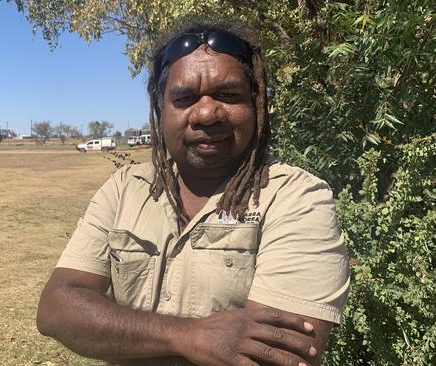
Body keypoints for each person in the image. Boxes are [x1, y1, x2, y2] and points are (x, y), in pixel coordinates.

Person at [36, 19, 350, 366]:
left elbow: (278, 356)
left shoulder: (296, 198)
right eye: (184, 98)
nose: (205, 113)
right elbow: (56, 307)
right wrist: (188, 335)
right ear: (160, 111)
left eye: (228, 95)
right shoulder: (127, 187)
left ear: (257, 105)